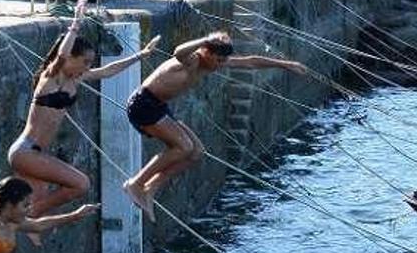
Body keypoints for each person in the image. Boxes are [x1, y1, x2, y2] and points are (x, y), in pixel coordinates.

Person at [0, 0, 160, 243]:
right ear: (69, 58)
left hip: (38, 155)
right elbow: (61, 55)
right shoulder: (50, 78)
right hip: (27, 152)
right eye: (83, 61)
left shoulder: (74, 80)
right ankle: (30, 216)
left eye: (89, 63)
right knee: (81, 184)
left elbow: (107, 71)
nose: (87, 67)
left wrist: (141, 55)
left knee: (20, 201)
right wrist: (75, 24)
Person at [123, 31, 308, 219]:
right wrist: (205, 40)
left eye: (222, 61)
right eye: (217, 60)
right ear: (205, 52)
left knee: (196, 152)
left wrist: (285, 64)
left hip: (159, 107)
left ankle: (151, 187)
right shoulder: (192, 60)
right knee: (183, 147)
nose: (219, 65)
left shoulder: (211, 63)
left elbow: (250, 61)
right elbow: (178, 52)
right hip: (143, 104)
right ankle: (136, 183)